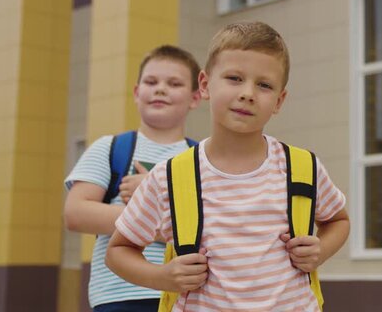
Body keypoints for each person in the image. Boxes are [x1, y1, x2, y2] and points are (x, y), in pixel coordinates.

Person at [105, 21, 350, 311]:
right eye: (234, 78)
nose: (248, 93)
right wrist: (163, 276)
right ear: (205, 85)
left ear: (279, 101)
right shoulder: (170, 177)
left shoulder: (302, 168)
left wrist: (319, 251)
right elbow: (119, 250)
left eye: (264, 85)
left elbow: (338, 221)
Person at [64, 45, 202, 311]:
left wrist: (153, 194)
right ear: (137, 93)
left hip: (188, 298)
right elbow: (76, 212)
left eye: (174, 83)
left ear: (195, 97)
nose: (160, 89)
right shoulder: (111, 148)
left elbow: (214, 227)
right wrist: (161, 217)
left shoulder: (202, 159)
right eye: (151, 82)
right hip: (118, 297)